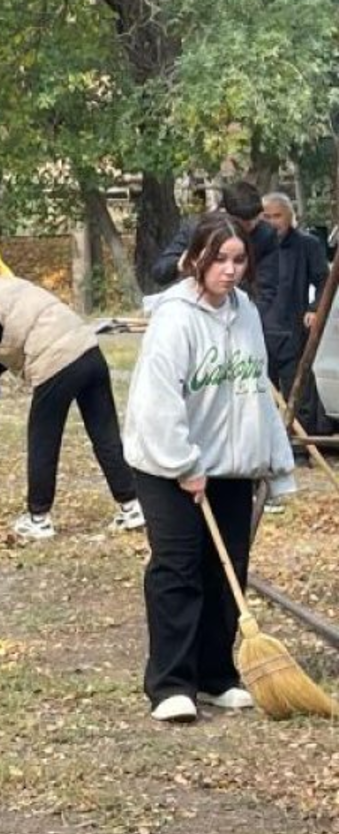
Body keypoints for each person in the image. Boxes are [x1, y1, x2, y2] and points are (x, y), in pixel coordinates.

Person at [124, 212, 296, 724]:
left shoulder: (244, 313)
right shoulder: (174, 319)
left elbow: (256, 390)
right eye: (218, 259)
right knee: (178, 567)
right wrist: (182, 463)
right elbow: (158, 401)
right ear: (195, 259)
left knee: (227, 571)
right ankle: (171, 683)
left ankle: (216, 675)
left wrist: (276, 464)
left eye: (238, 260)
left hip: (229, 466)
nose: (229, 270)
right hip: (165, 462)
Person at [0, 263, 145, 540]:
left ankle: (39, 518)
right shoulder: (3, 286)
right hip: (88, 351)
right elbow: (18, 328)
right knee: (104, 433)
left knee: (43, 440)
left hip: (56, 362)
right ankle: (132, 506)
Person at [256, 192, 331, 435]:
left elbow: (324, 281)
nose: (272, 222)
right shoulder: (252, 244)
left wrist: (314, 308)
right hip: (258, 328)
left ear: (290, 217)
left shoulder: (307, 244)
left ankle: (299, 446)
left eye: (277, 216)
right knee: (259, 393)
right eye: (266, 216)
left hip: (292, 330)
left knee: (298, 393)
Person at [150, 183, 280, 291]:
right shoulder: (196, 229)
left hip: (242, 306)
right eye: (244, 222)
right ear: (224, 213)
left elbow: (267, 286)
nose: (251, 225)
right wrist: (180, 264)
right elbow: (159, 272)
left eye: (256, 218)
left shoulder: (266, 235)